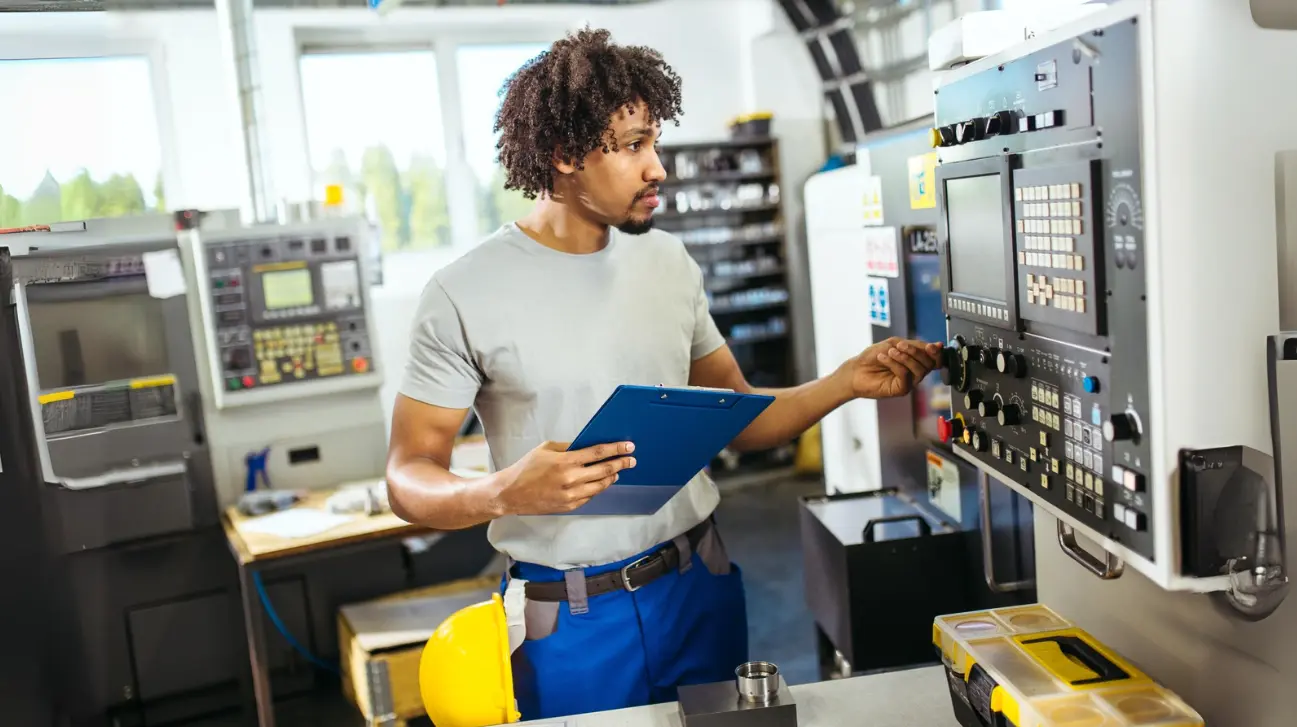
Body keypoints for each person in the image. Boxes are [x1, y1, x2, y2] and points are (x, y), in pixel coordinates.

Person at [386, 28, 943, 720]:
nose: (658, 167)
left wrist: (843, 381)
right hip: (568, 620)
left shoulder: (668, 263)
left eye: (653, 141)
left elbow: (737, 416)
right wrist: (502, 490)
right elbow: (408, 477)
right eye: (631, 147)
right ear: (563, 156)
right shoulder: (462, 292)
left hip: (697, 585)